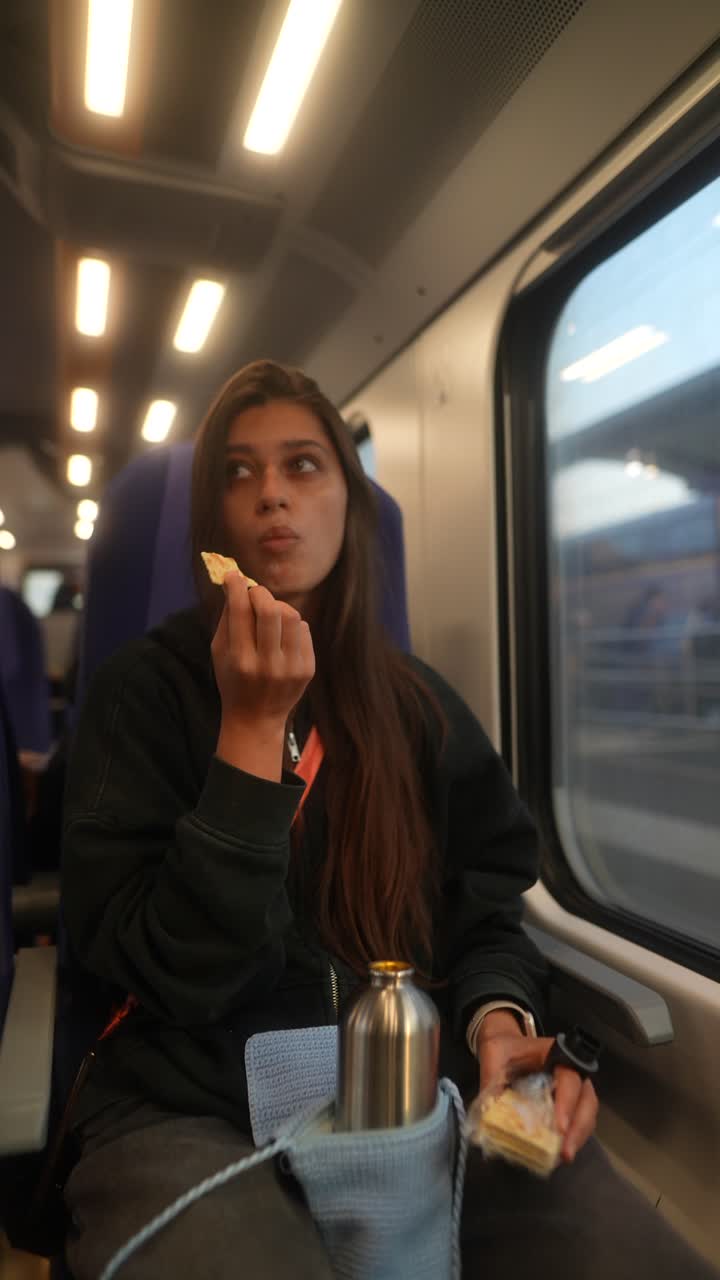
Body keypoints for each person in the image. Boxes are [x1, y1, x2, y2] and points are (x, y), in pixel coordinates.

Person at [61, 361, 719, 1279]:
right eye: (237, 473)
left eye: (303, 466)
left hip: (409, 1081)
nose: (271, 498)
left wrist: (494, 1014)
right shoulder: (143, 695)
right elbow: (183, 974)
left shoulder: (417, 707)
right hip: (188, 1104)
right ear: (211, 519)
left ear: (351, 504)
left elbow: (487, 907)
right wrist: (250, 731)